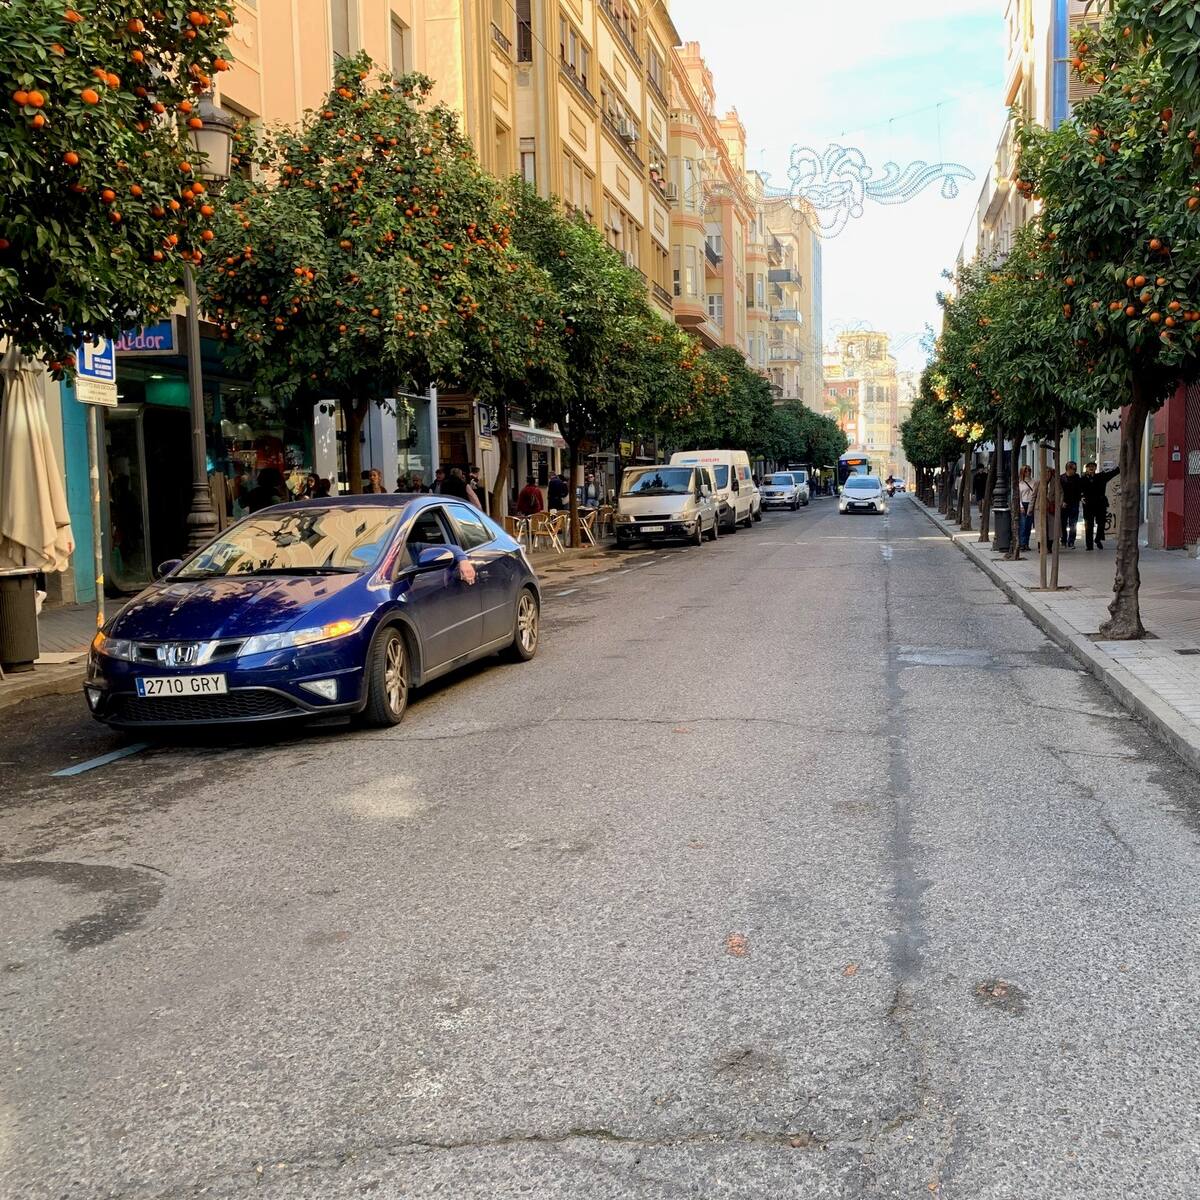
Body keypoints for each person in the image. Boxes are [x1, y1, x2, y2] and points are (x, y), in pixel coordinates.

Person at [1081, 461, 1119, 550]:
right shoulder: (1082, 479)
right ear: (1086, 468)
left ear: (1095, 468)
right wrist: (1081, 497)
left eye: (1093, 466)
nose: (1091, 468)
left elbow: (1113, 473)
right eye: (1089, 466)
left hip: (1100, 504)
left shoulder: (1101, 477)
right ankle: (1089, 546)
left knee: (1101, 523)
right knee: (1089, 525)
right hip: (1088, 505)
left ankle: (1097, 539)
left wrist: (1119, 467)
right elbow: (1077, 489)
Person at [1059, 461, 1083, 548]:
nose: (1075, 470)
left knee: (1073, 524)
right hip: (1064, 504)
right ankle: (1063, 540)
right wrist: (1062, 502)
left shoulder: (1077, 478)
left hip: (1074, 503)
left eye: (1075, 469)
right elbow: (1059, 492)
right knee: (1063, 523)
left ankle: (1071, 541)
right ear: (1068, 469)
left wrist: (1081, 498)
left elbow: (1080, 490)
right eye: (1073, 468)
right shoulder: (1061, 478)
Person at [1018, 465, 1035, 551]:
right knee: (1023, 525)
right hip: (1023, 504)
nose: (1028, 472)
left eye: (1029, 470)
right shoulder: (1020, 483)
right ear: (1022, 472)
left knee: (1028, 525)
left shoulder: (1034, 482)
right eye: (1026, 471)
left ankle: (1026, 544)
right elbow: (1019, 497)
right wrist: (1021, 506)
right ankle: (1022, 544)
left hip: (1031, 504)